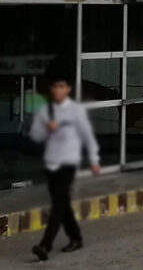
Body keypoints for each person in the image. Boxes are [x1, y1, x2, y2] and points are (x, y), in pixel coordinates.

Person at [28, 75, 101, 261]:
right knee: (63, 204)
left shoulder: (76, 111)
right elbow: (35, 136)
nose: (58, 90)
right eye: (55, 87)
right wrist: (47, 129)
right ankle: (76, 237)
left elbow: (87, 136)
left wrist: (94, 159)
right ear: (52, 90)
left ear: (67, 89)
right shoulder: (46, 111)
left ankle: (45, 245)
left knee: (58, 206)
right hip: (51, 162)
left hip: (68, 162)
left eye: (62, 86)